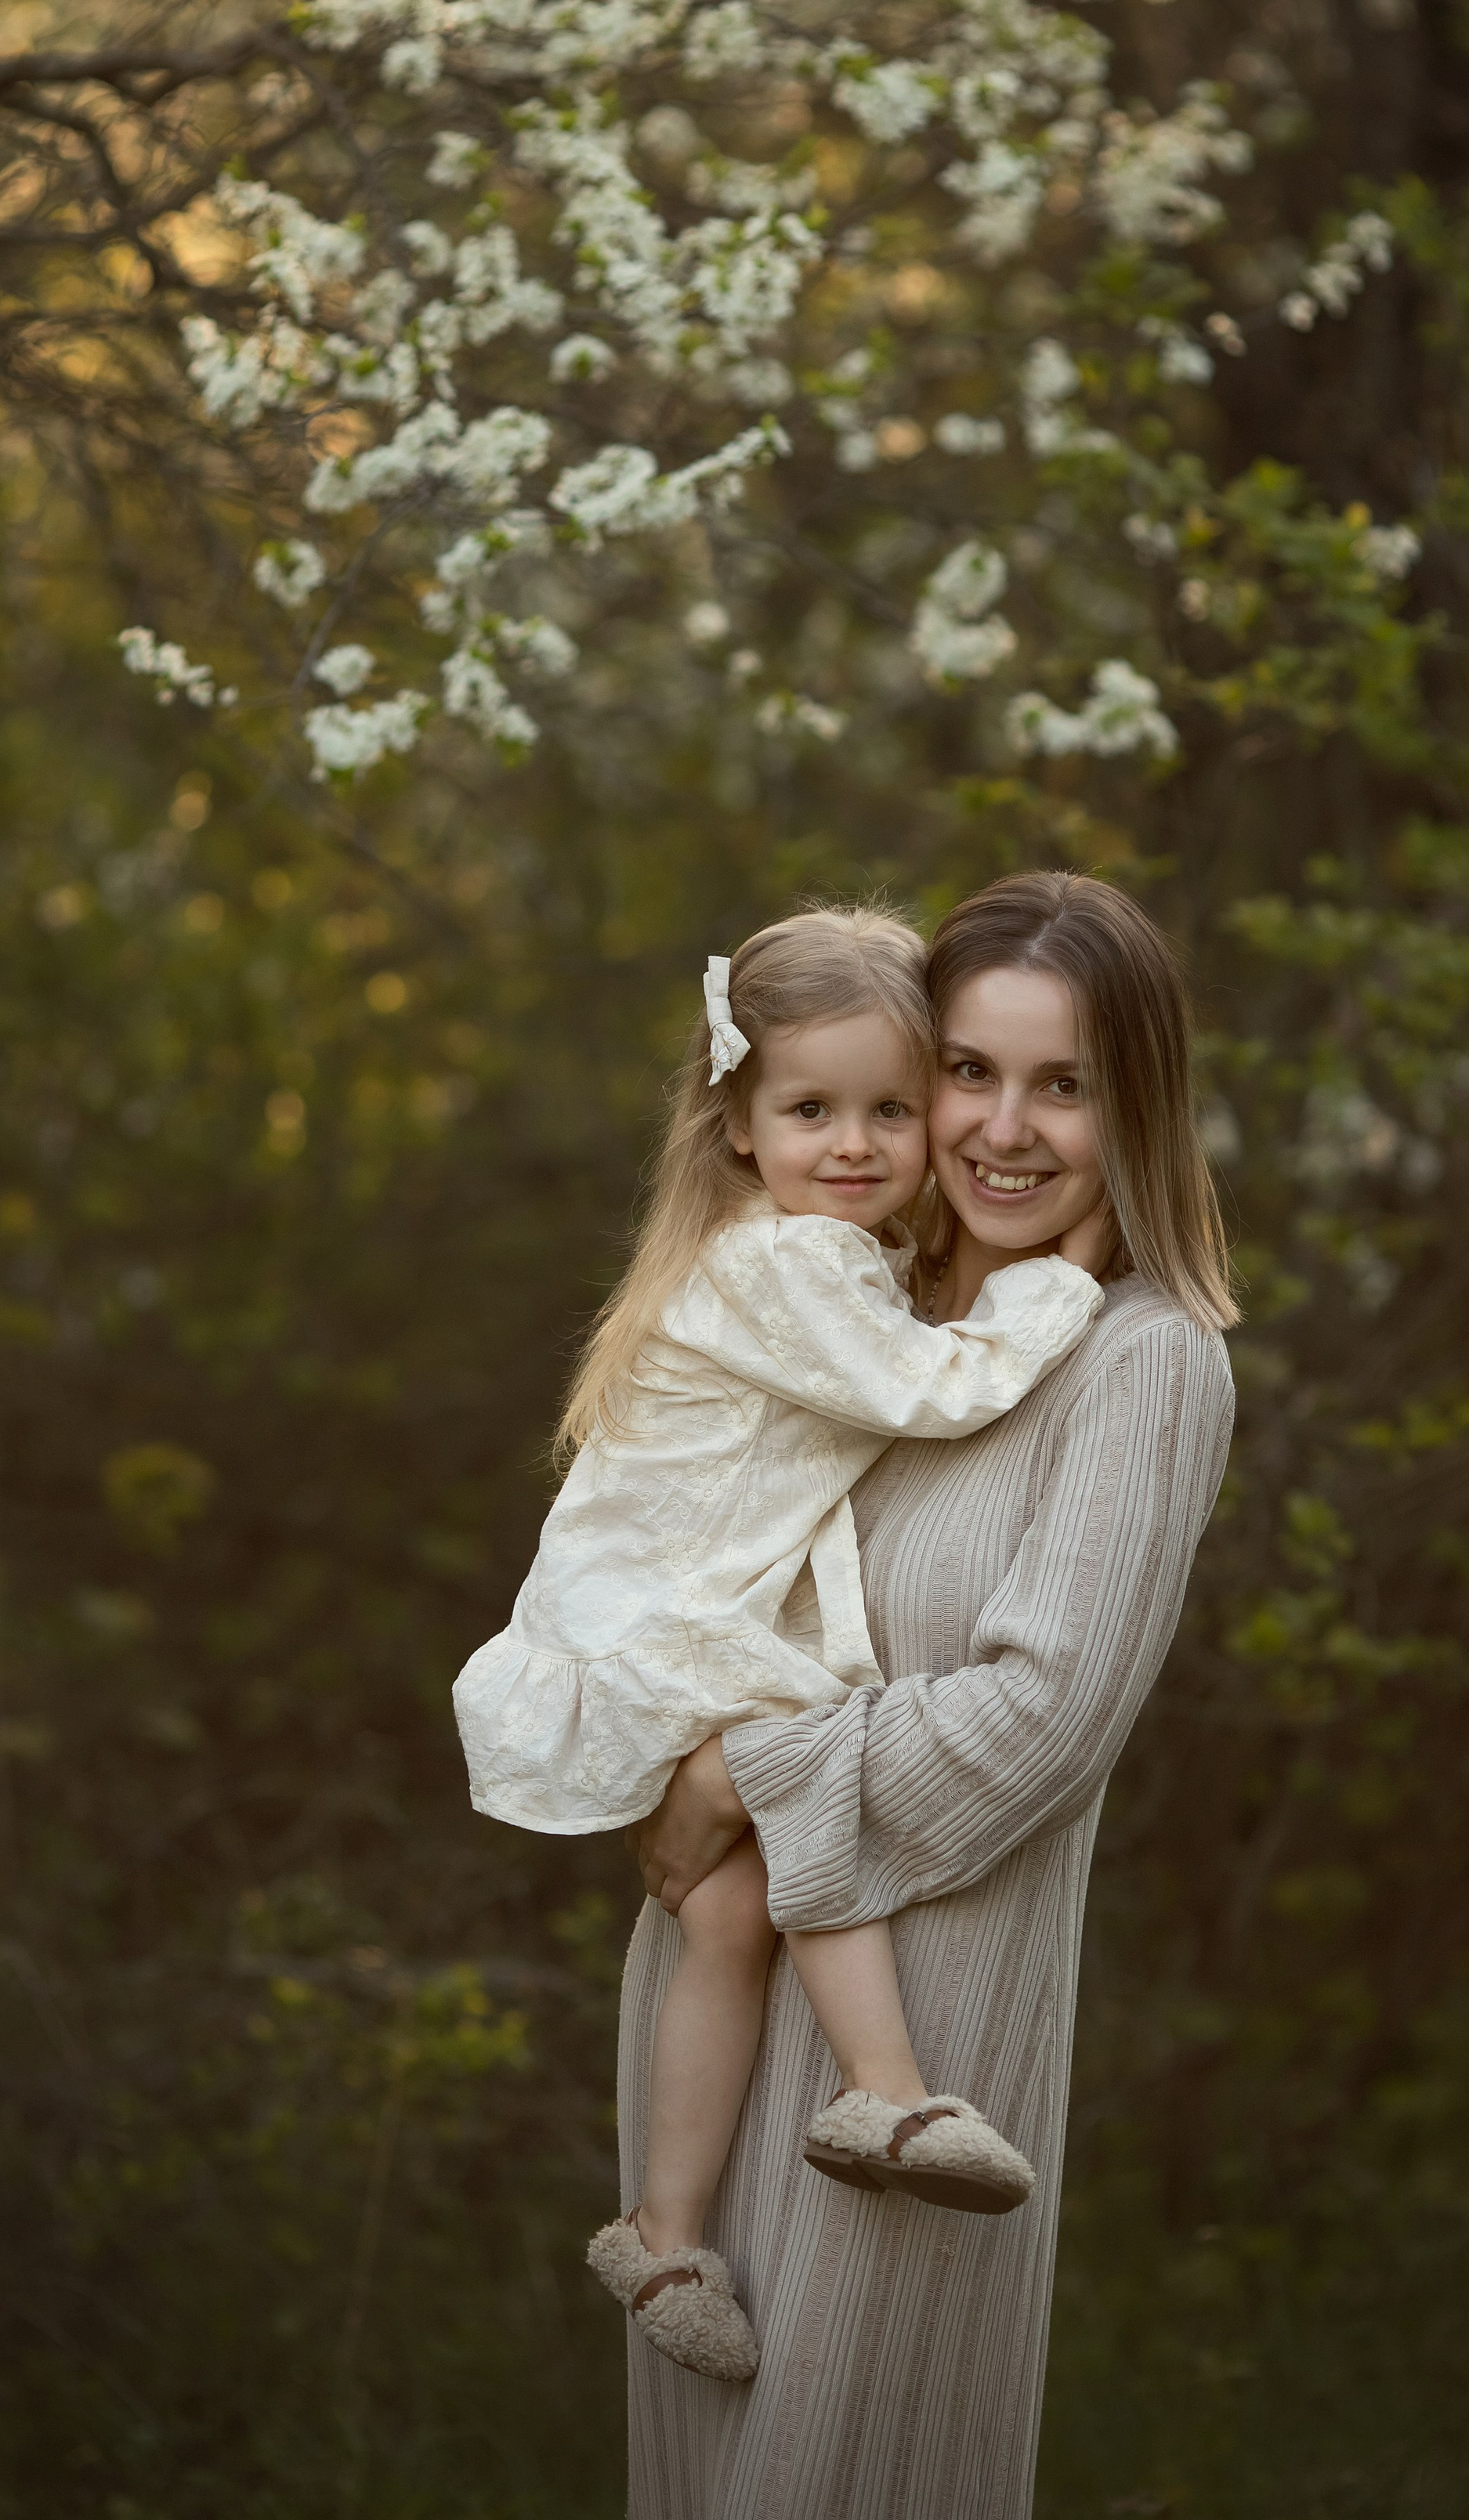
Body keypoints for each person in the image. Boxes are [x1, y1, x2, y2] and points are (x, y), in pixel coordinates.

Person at [621, 870, 1238, 2520]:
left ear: (1137, 1105)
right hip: (714, 2004)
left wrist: (741, 1774)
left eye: (1064, 1084)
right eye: (968, 1072)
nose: (1004, 1128)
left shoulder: (1144, 1366)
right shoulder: (844, 1322)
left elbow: (1032, 1719)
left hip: (918, 2055)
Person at [452, 906, 1102, 2384]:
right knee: (812, 1797)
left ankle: (662, 2231)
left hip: (653, 1609)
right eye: (812, 1110)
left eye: (889, 1108)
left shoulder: (804, 1247)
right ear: (737, 1122)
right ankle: (885, 2091)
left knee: (731, 1917)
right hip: (670, 1622)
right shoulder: (787, 1266)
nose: (858, 1143)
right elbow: (937, 1396)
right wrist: (1058, 1280)